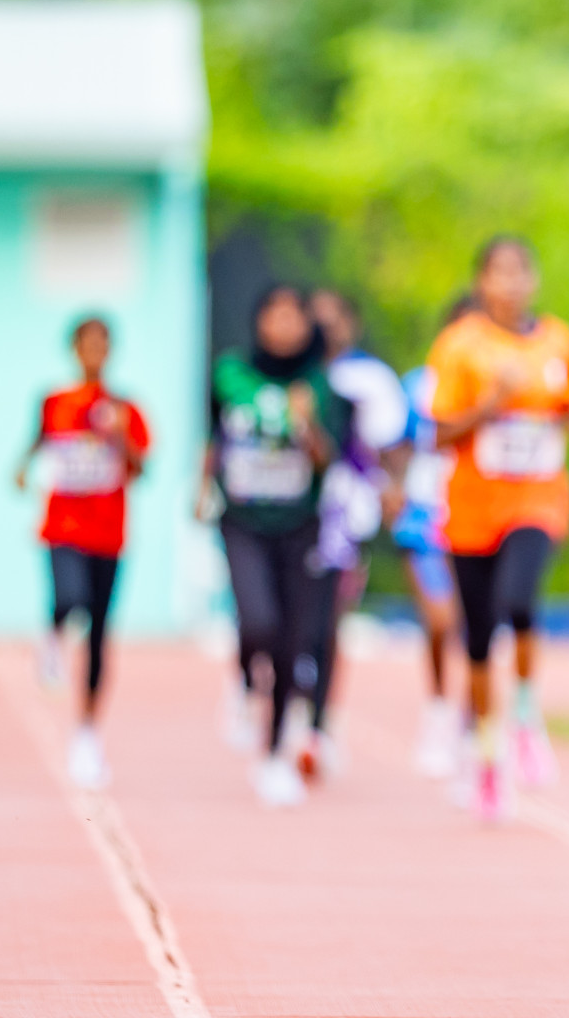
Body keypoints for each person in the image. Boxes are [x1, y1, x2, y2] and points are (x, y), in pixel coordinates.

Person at [428, 238, 569, 820]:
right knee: (478, 638)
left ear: (533, 279)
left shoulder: (559, 341)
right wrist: (490, 404)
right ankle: (487, 757)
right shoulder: (461, 346)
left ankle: (527, 715)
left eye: (519, 271)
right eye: (498, 272)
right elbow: (438, 433)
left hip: (537, 500)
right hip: (473, 508)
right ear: (481, 282)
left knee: (518, 597)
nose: (510, 282)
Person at [202, 285, 349, 808]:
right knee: (257, 619)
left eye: (294, 317)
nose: (285, 326)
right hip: (242, 518)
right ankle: (244, 682)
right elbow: (214, 437)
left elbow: (328, 459)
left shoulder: (319, 382)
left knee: (291, 639)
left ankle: (272, 756)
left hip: (298, 523)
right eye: (275, 315)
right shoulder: (230, 373)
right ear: (259, 320)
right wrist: (201, 489)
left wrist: (307, 422)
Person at [14, 317, 151, 789]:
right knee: (68, 598)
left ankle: (87, 733)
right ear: (74, 349)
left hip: (109, 534)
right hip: (62, 528)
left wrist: (117, 435)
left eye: (102, 344)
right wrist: (22, 467)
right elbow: (39, 441)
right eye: (86, 343)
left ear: (111, 350)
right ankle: (51, 635)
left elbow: (138, 468)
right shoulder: (55, 401)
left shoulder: (124, 409)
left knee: (98, 631)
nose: (94, 351)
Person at [298, 288, 411, 781]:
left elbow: (388, 445)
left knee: (327, 620)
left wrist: (393, 489)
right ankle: (284, 686)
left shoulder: (369, 380)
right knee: (284, 617)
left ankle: (316, 726)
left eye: (333, 318)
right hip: (287, 510)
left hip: (345, 514)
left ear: (350, 323)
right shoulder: (287, 377)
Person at [395, 295, 474, 779]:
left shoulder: (501, 382)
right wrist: (391, 489)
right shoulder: (419, 385)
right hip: (425, 513)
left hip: (476, 511)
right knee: (440, 620)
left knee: (472, 623)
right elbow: (397, 444)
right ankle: (440, 709)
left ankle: (470, 720)